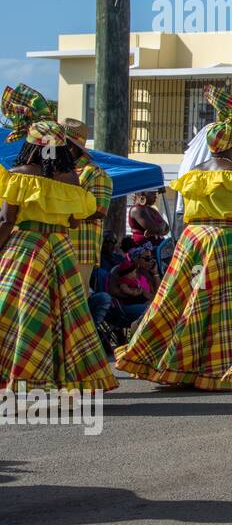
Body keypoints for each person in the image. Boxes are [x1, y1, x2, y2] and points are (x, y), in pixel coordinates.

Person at [116, 85, 232, 389]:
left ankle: (178, 362)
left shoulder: (192, 175)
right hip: (225, 241)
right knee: (223, 303)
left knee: (186, 297)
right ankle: (221, 366)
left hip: (193, 240)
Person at [0, 85, 117, 391]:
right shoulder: (72, 180)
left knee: (20, 311)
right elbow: (76, 219)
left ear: (31, 145)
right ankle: (60, 379)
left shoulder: (20, 174)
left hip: (25, 249)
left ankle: (19, 376)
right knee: (66, 317)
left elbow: (6, 220)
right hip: (61, 251)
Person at [60, 118, 112, 292]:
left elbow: (99, 210)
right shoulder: (56, 171)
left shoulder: (95, 173)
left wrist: (63, 212)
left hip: (80, 250)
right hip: (57, 246)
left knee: (76, 299)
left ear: (70, 147)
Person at [107, 246, 158, 325]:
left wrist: (155, 274)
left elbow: (159, 292)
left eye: (152, 258)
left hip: (146, 303)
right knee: (152, 310)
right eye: (147, 258)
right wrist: (133, 292)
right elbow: (113, 291)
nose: (150, 261)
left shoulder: (146, 274)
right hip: (129, 306)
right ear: (137, 259)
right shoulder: (124, 270)